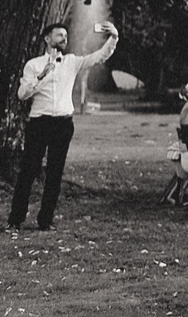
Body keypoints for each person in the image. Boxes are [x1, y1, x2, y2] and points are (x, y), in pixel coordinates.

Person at [9, 19, 119, 232]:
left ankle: (45, 220)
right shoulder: (33, 65)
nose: (64, 39)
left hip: (63, 124)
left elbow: (99, 57)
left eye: (65, 36)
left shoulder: (72, 61)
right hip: (39, 123)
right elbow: (22, 95)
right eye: (59, 35)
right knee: (28, 170)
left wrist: (113, 37)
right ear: (47, 38)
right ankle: (15, 219)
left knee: (55, 172)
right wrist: (42, 76)